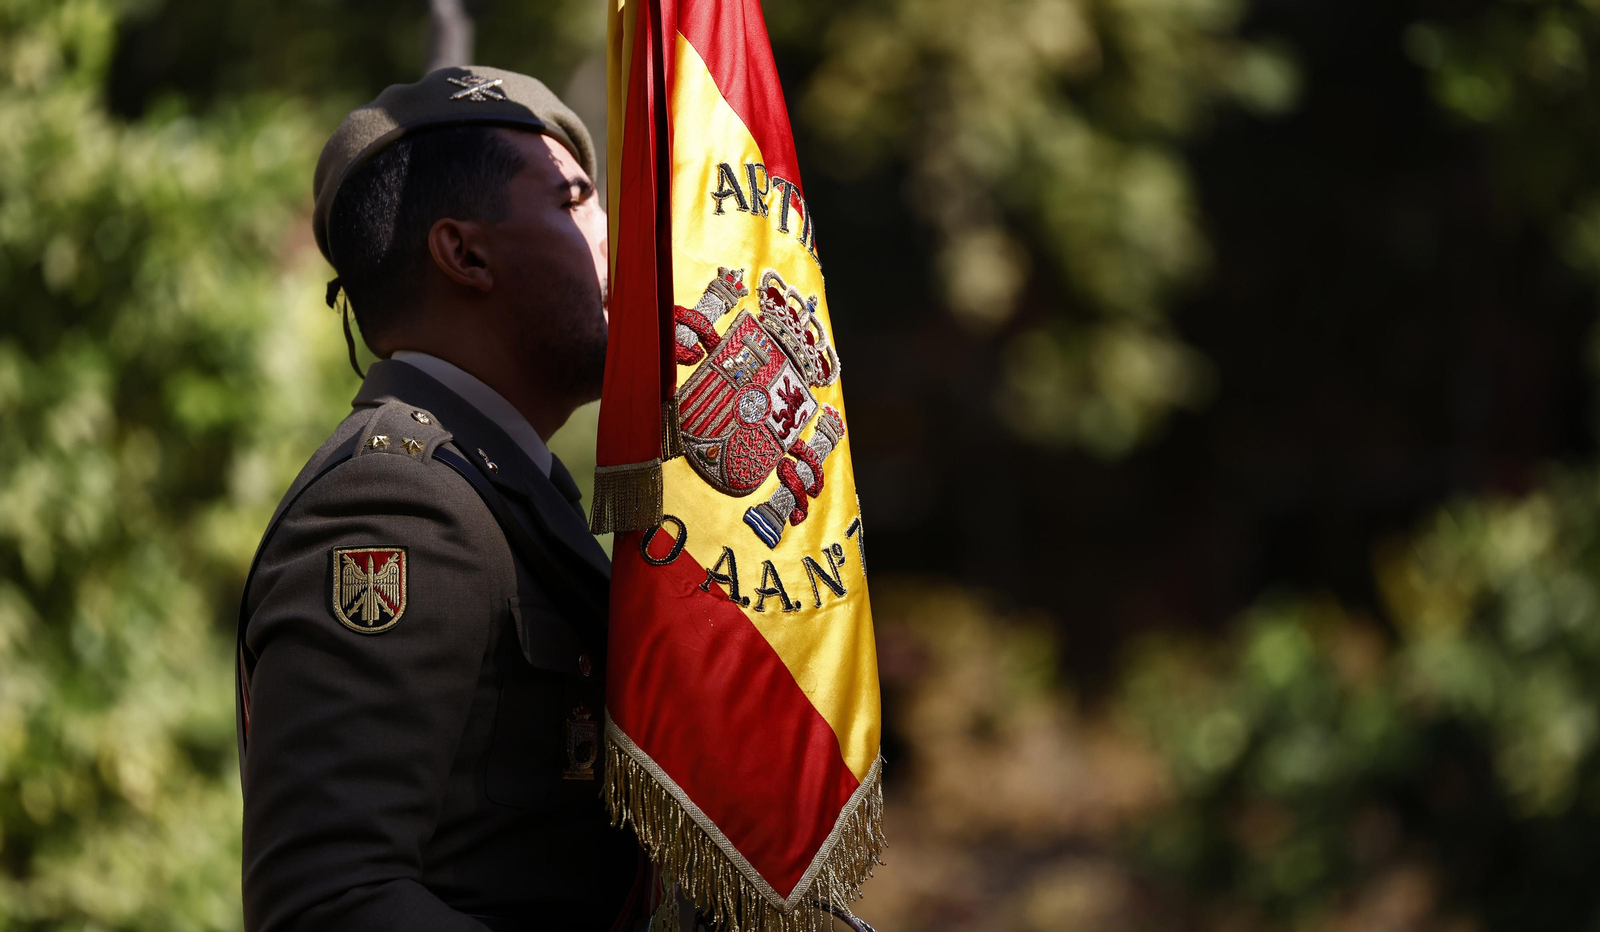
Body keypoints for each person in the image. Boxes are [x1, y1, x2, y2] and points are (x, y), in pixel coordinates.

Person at [234, 66, 642, 932]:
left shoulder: (499, 488)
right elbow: (329, 904)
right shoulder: (398, 502)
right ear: (464, 254)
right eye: (574, 202)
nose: (616, 234)